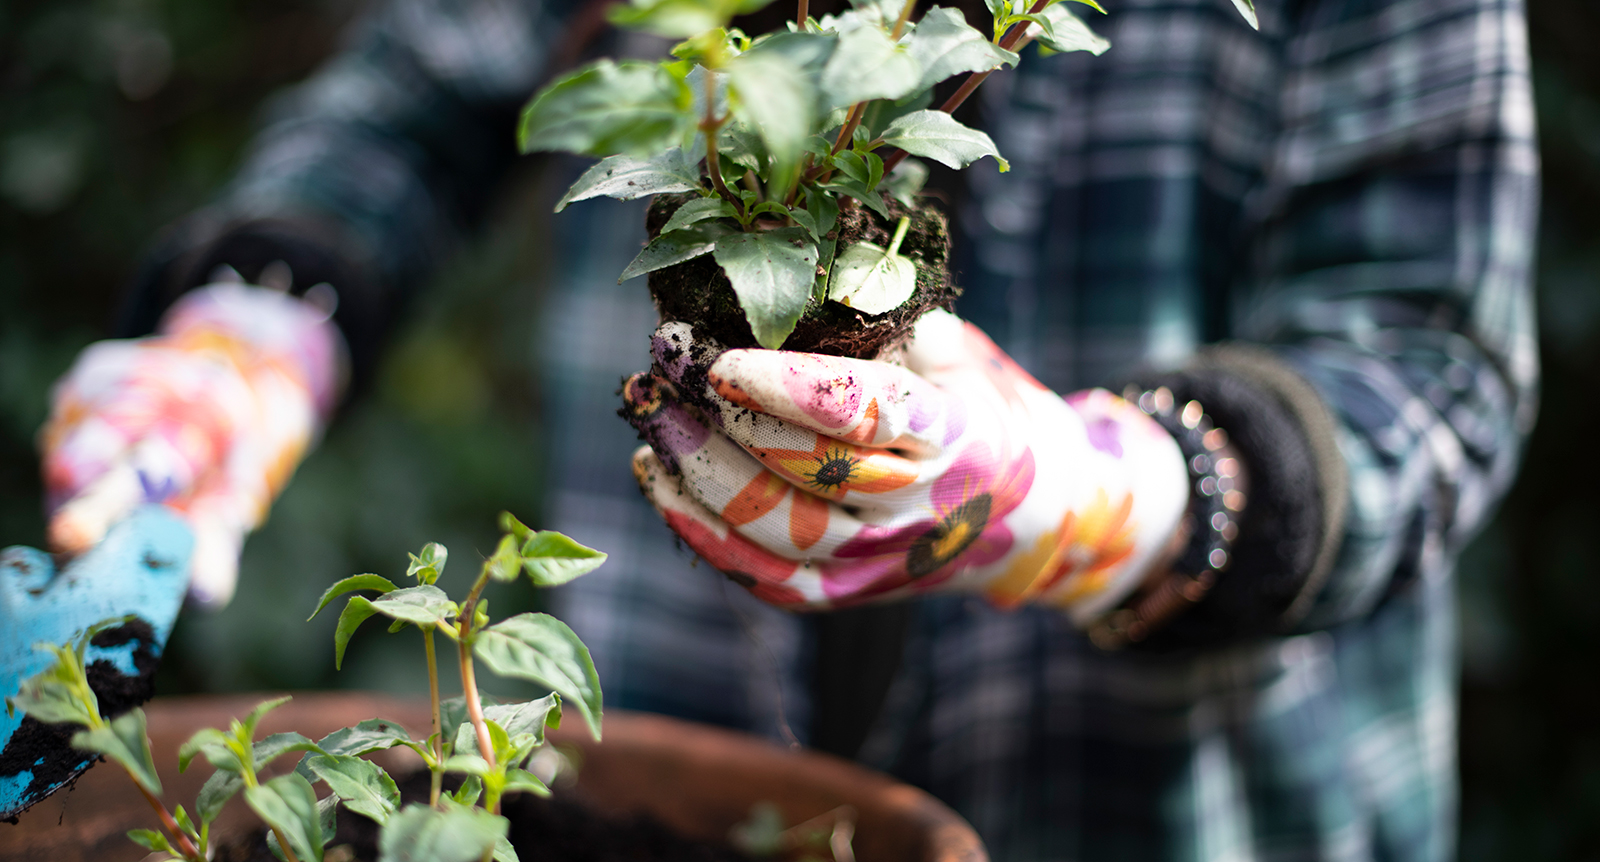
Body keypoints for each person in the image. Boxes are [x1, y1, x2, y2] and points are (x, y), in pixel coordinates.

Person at [35, 0, 1538, 858]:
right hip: (672, 752)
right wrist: (256, 322)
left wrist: (1107, 496)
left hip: (1175, 806)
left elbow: (1432, 360)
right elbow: (426, 79)